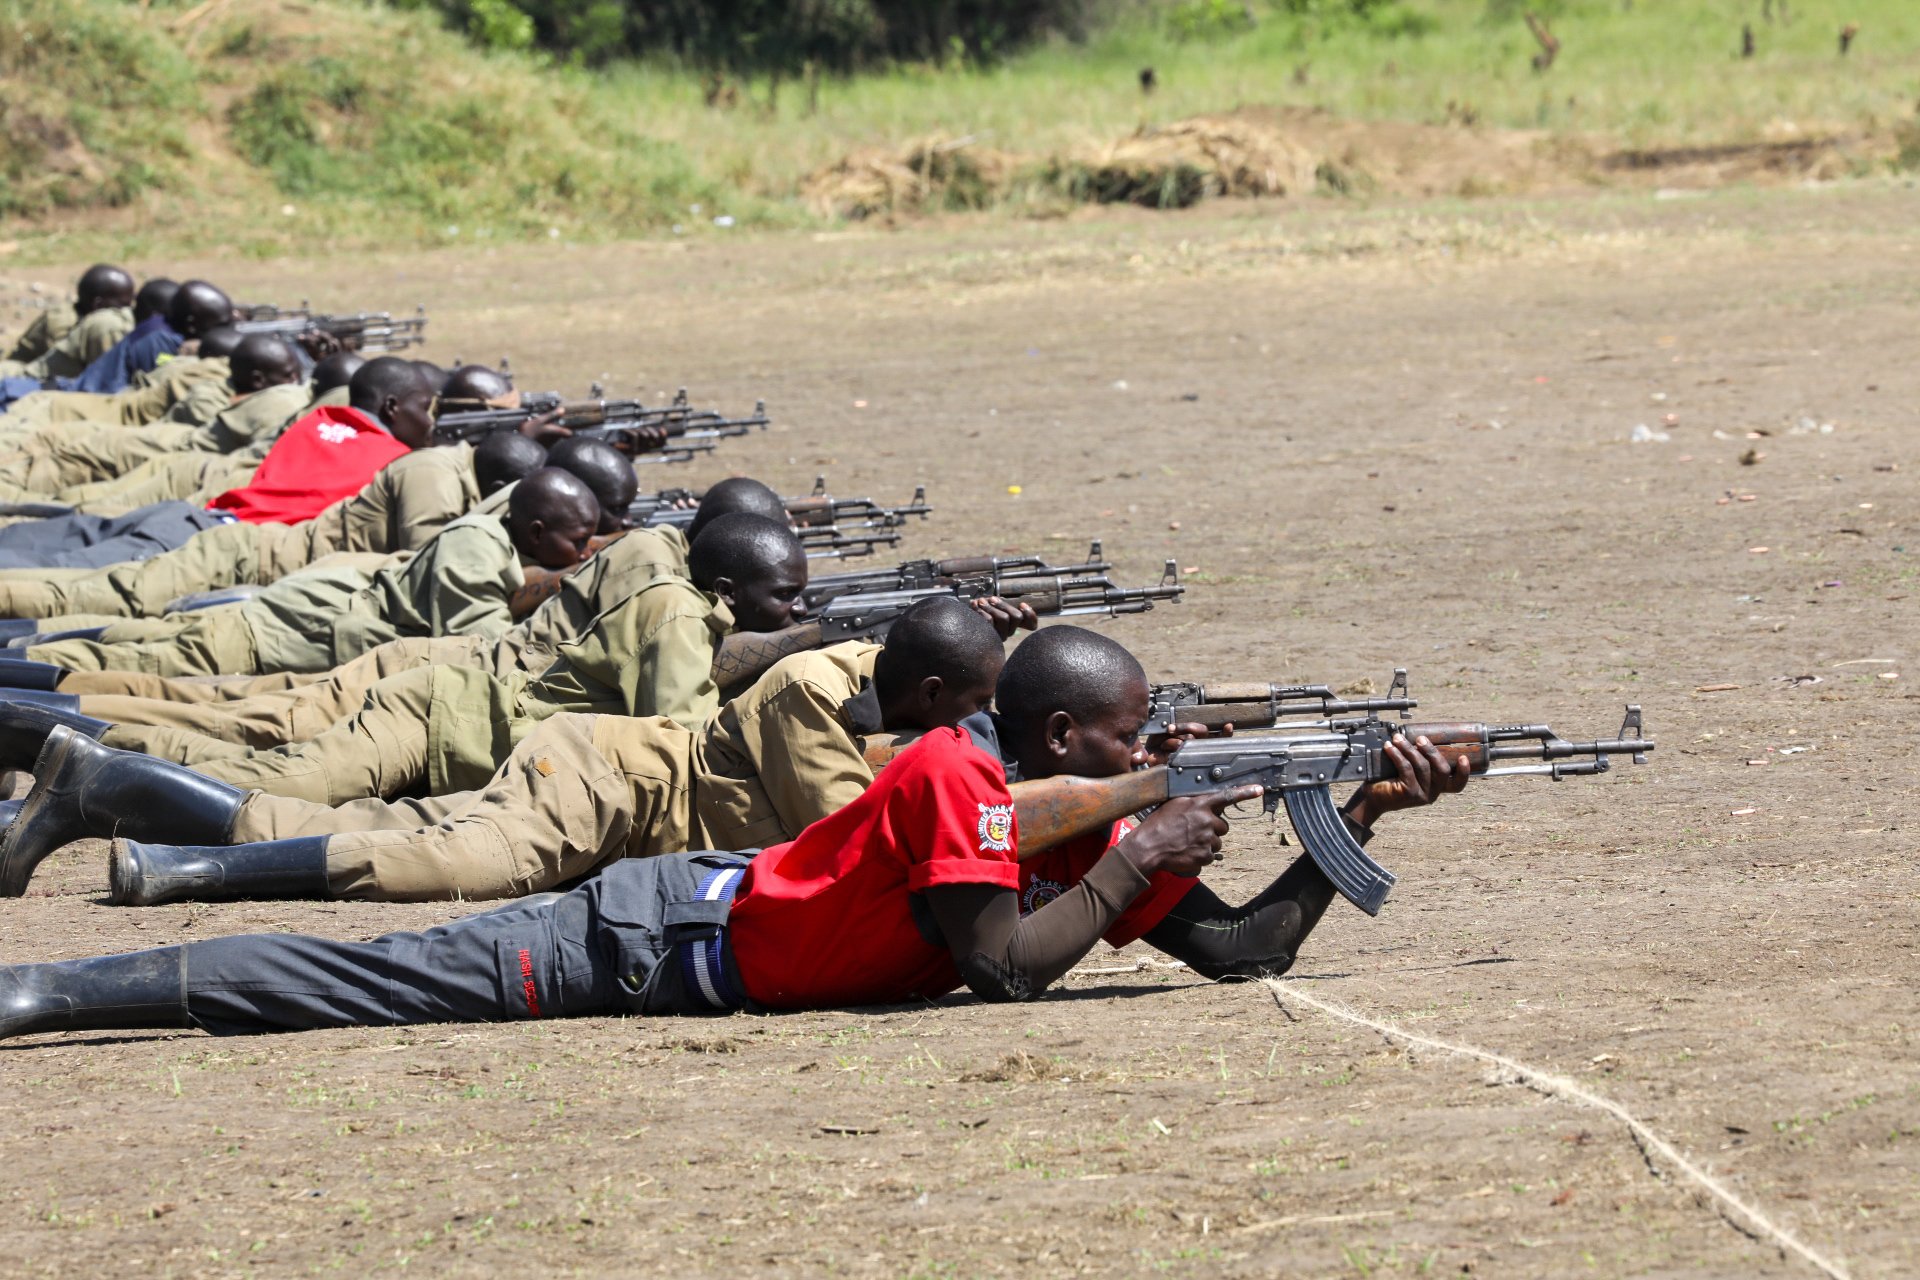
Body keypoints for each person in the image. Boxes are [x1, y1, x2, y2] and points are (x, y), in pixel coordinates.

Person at [0, 625, 1471, 1037]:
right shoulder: (959, 785)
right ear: (1053, 743)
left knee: (377, 972)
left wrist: (1352, 812)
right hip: (653, 940)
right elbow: (1004, 969)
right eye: (1128, 739)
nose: (1151, 755)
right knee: (370, 979)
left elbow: (1240, 955)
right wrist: (1143, 852)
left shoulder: (1081, 829)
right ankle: (51, 989)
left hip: (691, 933)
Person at [0, 595, 1007, 903]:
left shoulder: (878, 692)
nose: (967, 730)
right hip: (607, 786)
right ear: (927, 692)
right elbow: (858, 834)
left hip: (604, 788)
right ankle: (187, 871)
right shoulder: (817, 693)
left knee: (367, 826)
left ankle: (98, 788)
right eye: (966, 710)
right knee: (446, 865)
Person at [18, 466, 599, 678]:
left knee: (123, 636)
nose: (581, 555)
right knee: (120, 657)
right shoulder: (474, 552)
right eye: (578, 543)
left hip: (291, 615)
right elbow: (489, 648)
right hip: (281, 634)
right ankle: (15, 670)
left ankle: (16, 652)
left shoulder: (490, 533)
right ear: (537, 535)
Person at [0, 419, 558, 620]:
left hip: (224, 534)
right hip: (234, 550)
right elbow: (431, 558)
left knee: (67, 571)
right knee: (76, 593)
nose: (430, 419)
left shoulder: (429, 462)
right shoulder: (434, 474)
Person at [0, 355, 427, 575]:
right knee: (54, 578)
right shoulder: (393, 461)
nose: (429, 422)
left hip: (191, 514)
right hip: (209, 541)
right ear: (392, 407)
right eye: (424, 409)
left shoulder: (317, 421)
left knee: (43, 540)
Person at [0, 334, 311, 498]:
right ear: (257, 381)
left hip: (139, 441)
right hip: (143, 447)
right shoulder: (222, 394)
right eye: (291, 373)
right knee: (75, 500)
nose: (297, 378)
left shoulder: (235, 386)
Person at [0, 279, 233, 410]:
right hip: (77, 402)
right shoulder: (160, 340)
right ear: (192, 324)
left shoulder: (162, 327)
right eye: (218, 324)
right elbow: (156, 393)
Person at [0, 265, 137, 376]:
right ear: (98, 305)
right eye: (124, 304)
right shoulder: (63, 324)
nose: (127, 311)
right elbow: (61, 369)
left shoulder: (89, 318)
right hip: (22, 374)